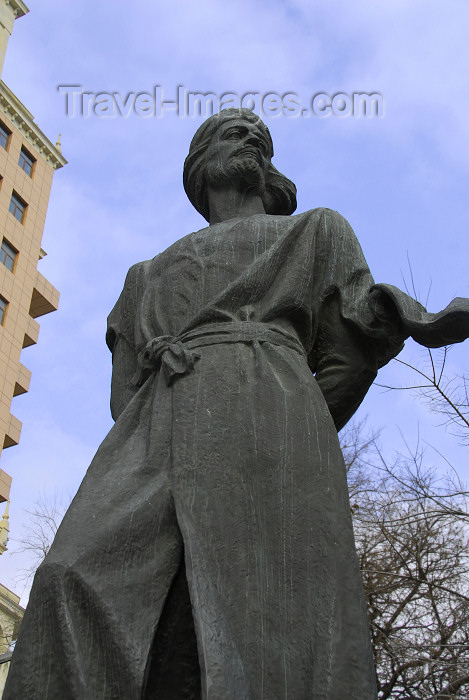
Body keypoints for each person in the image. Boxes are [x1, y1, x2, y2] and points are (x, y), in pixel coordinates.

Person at [5, 109, 469, 700]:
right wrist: (163, 394)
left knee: (269, 608)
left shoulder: (316, 230)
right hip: (153, 425)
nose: (250, 137)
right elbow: (123, 394)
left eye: (260, 138)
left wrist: (295, 432)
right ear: (199, 165)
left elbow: (349, 354)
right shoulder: (142, 277)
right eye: (233, 131)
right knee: (66, 574)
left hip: (268, 401)